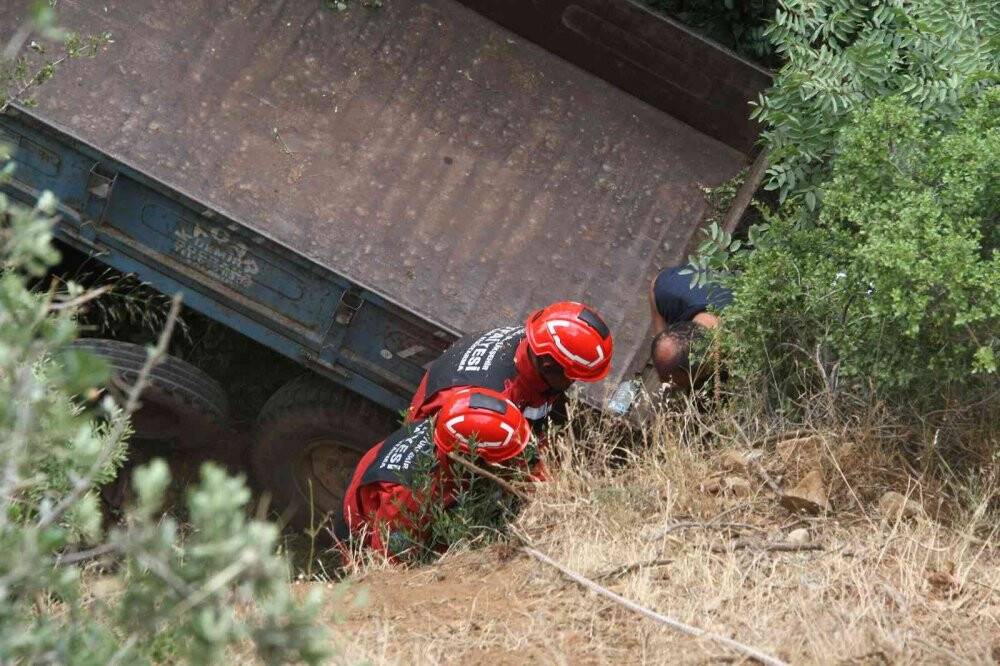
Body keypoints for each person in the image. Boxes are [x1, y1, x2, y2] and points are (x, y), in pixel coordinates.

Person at [337, 388, 531, 557]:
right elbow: (390, 565)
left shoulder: (446, 433)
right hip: (363, 526)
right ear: (468, 459)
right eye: (503, 461)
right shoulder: (412, 499)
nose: (509, 464)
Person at [407, 301, 614, 424]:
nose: (574, 383)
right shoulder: (491, 403)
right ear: (549, 366)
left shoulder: (531, 343)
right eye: (572, 377)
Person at [649, 264, 732, 387]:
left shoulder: (745, 335)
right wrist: (659, 329)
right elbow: (655, 284)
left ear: (706, 364)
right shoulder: (667, 289)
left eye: (674, 382)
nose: (665, 383)